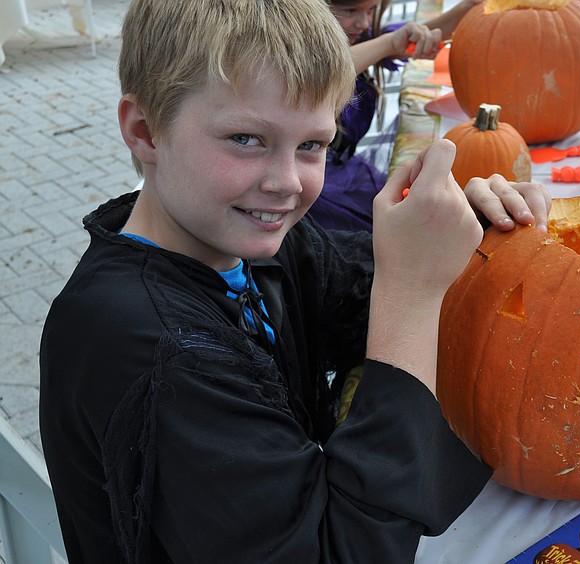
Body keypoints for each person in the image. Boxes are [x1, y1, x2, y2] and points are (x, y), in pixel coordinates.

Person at [38, 0, 552, 562]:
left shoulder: (250, 245)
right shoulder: (150, 348)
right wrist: (412, 294)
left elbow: (354, 293)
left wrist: (468, 242)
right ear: (145, 132)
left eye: (312, 145)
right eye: (245, 139)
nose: (286, 184)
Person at [308, 0, 483, 232]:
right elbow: (326, 73)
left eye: (371, 10)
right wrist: (389, 43)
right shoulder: (303, 61)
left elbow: (414, 36)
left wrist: (470, 6)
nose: (364, 22)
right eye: (350, 11)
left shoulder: (360, 34)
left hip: (342, 167)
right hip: (317, 191)